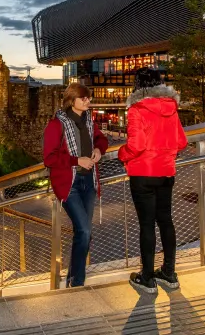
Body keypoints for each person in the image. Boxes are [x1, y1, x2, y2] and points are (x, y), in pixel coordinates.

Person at [118, 68, 188, 294]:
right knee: (166, 221)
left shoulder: (137, 110)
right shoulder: (171, 108)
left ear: (138, 85)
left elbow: (136, 146)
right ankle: (169, 273)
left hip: (143, 174)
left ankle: (147, 277)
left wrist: (122, 154)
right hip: (166, 172)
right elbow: (182, 142)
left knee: (146, 225)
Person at [42, 82, 108, 287]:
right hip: (70, 184)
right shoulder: (56, 125)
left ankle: (72, 277)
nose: (88, 101)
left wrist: (98, 149)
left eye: (88, 97)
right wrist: (76, 160)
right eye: (84, 98)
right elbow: (49, 158)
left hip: (89, 182)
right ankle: (77, 282)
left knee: (84, 233)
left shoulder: (89, 121)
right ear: (72, 101)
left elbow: (101, 139)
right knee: (84, 231)